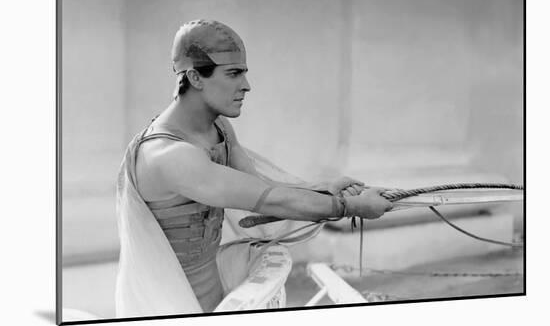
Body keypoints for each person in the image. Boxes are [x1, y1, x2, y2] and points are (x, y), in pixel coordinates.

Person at [115, 19, 393, 317]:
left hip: (217, 295)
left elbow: (256, 184)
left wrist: (325, 187)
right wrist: (352, 207)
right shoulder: (169, 156)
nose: (246, 86)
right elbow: (270, 199)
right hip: (168, 308)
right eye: (233, 74)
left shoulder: (218, 128)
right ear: (195, 77)